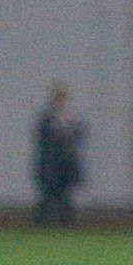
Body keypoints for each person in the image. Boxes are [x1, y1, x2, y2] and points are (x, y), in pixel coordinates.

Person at [32, 83, 85, 225]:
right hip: (51, 164)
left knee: (66, 195)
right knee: (49, 195)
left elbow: (79, 135)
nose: (61, 102)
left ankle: (67, 222)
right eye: (59, 99)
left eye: (63, 99)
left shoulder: (72, 118)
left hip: (67, 164)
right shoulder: (47, 117)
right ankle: (44, 223)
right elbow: (43, 136)